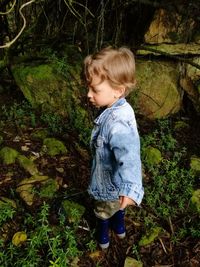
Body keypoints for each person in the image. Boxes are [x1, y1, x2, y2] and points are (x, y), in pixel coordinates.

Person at [83, 46, 144, 249]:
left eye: (95, 90)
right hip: (117, 186)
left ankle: (103, 238)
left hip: (107, 185)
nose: (89, 94)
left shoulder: (116, 122)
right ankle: (120, 229)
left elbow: (129, 153)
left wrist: (130, 188)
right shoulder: (122, 108)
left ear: (118, 91)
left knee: (103, 212)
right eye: (89, 88)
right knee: (118, 207)